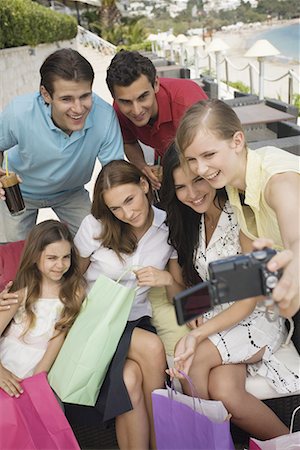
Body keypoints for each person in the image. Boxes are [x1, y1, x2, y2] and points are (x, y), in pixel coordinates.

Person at [160, 144, 299, 440]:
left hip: (256, 316)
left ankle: (200, 444)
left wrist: (198, 333)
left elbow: (248, 296)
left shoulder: (238, 214)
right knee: (226, 391)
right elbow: (215, 285)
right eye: (181, 187)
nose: (193, 193)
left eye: (197, 180)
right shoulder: (193, 220)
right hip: (221, 318)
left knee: (195, 359)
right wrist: (194, 310)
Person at [65, 160, 184, 450]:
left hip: (134, 319)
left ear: (144, 186)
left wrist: (165, 277)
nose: (127, 213)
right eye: (116, 208)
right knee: (152, 347)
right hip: (96, 320)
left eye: (130, 200)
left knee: (130, 379)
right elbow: (72, 278)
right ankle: (163, 443)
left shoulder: (168, 226)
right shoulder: (96, 226)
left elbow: (176, 294)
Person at [175, 99, 300, 318]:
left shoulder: (278, 182)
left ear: (237, 141)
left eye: (209, 155)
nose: (201, 169)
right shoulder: (234, 183)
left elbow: (296, 240)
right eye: (192, 159)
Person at [0, 48, 124, 243]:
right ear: (46, 95)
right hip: (21, 193)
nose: (78, 108)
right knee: (13, 253)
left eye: (85, 96)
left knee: (99, 242)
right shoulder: (19, 112)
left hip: (71, 192)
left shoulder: (104, 115)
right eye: (66, 99)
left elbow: (115, 171)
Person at [0, 220, 85, 397]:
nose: (60, 265)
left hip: (41, 365)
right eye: (52, 258)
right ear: (35, 257)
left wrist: (38, 379)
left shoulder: (74, 292)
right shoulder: (21, 290)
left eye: (66, 257)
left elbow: (57, 338)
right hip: (7, 360)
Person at [106, 50, 207, 189]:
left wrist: (171, 173)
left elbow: (208, 154)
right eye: (125, 102)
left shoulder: (187, 102)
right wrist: (142, 166)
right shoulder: (118, 109)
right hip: (163, 161)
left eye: (143, 97)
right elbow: (128, 142)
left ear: (156, 84)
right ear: (115, 97)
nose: (136, 111)